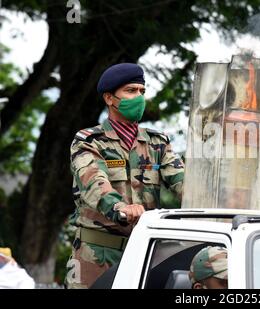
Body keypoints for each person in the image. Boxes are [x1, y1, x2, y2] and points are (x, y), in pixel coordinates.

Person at [65, 63, 184, 289]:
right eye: (131, 91)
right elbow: (93, 183)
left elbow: (182, 181)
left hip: (144, 254)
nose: (138, 97)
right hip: (97, 257)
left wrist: (213, 205)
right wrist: (120, 208)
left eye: (141, 91)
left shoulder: (158, 143)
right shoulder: (89, 141)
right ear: (110, 98)